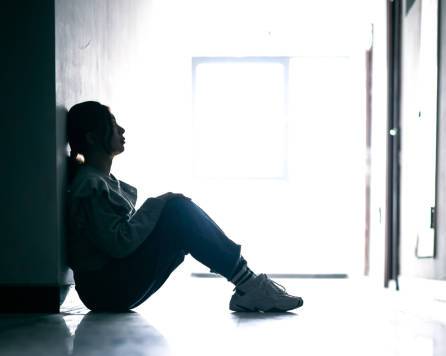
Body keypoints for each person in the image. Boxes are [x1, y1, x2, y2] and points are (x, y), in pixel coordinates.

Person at [65, 101, 304, 313]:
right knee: (177, 209)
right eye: (113, 124)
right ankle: (250, 285)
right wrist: (158, 204)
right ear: (92, 137)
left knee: (177, 210)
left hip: (112, 286)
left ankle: (248, 286)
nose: (122, 130)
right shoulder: (90, 184)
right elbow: (118, 244)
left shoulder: (101, 181)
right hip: (104, 290)